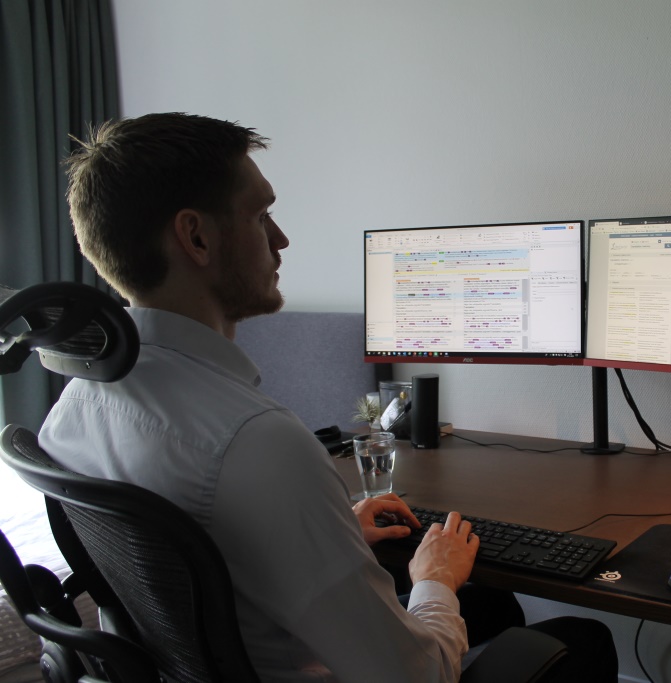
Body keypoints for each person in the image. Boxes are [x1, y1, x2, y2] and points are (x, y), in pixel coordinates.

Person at [39, 112, 617, 682]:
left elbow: (190, 549)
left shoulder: (72, 409)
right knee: (581, 638)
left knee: (497, 609)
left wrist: (325, 527)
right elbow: (415, 676)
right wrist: (435, 578)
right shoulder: (254, 441)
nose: (281, 238)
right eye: (261, 214)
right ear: (196, 237)